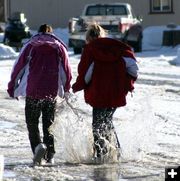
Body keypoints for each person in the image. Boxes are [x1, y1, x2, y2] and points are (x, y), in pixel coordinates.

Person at [72, 23, 139, 163]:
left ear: (89, 38)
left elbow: (86, 74)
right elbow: (133, 69)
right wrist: (126, 82)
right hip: (116, 92)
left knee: (97, 124)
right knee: (107, 121)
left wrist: (76, 87)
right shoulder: (118, 47)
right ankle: (116, 152)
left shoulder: (90, 49)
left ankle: (101, 155)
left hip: (99, 93)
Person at [7, 24, 72, 165]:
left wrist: (12, 86)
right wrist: (66, 88)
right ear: (51, 33)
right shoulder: (59, 48)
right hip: (51, 92)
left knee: (32, 123)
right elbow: (67, 70)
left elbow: (18, 67)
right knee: (48, 125)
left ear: (38, 32)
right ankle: (50, 155)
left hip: (33, 91)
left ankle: (37, 147)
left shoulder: (30, 46)